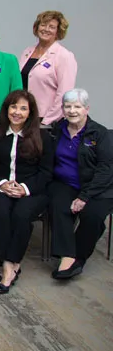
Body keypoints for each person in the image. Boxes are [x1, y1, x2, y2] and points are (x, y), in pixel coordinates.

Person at [0, 90, 53, 293]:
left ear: (30, 113)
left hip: (32, 190)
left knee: (21, 214)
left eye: (23, 108)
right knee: (2, 213)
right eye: (14, 107)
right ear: (7, 109)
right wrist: (2, 184)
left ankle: (12, 262)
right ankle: (7, 267)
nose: (17, 112)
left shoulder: (43, 137)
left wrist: (25, 189)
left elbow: (46, 172)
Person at [48, 89, 113, 280]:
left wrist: (84, 196)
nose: (72, 111)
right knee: (59, 207)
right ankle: (67, 256)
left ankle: (79, 258)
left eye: (77, 106)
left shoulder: (99, 133)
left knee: (92, 216)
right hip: (65, 183)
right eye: (67, 106)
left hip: (98, 187)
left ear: (86, 109)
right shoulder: (57, 129)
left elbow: (106, 169)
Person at [19, 11, 77, 125]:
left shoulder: (64, 56)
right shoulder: (27, 52)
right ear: (36, 27)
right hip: (24, 117)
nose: (46, 29)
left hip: (46, 119)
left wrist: (47, 122)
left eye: (52, 27)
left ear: (58, 31)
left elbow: (64, 94)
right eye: (43, 25)